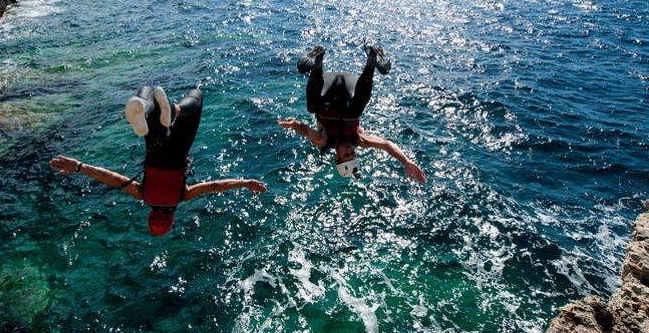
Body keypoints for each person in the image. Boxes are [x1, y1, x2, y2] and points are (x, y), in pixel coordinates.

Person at [50, 86, 266, 236]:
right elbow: (112, 178)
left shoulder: (183, 195)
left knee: (196, 97)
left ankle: (174, 110)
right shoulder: (142, 194)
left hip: (179, 151)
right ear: (150, 216)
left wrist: (245, 182)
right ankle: (144, 110)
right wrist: (78, 166)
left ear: (170, 220)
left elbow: (215, 186)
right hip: (153, 147)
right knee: (148, 92)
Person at [278, 44, 426, 182]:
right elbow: (386, 145)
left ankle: (317, 64)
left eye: (346, 155)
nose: (350, 150)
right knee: (354, 112)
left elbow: (304, 129)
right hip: (351, 87)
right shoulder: (360, 139)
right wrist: (406, 161)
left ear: (337, 155)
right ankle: (371, 64)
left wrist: (294, 125)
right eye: (353, 154)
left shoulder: (322, 140)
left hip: (327, 86)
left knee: (312, 108)